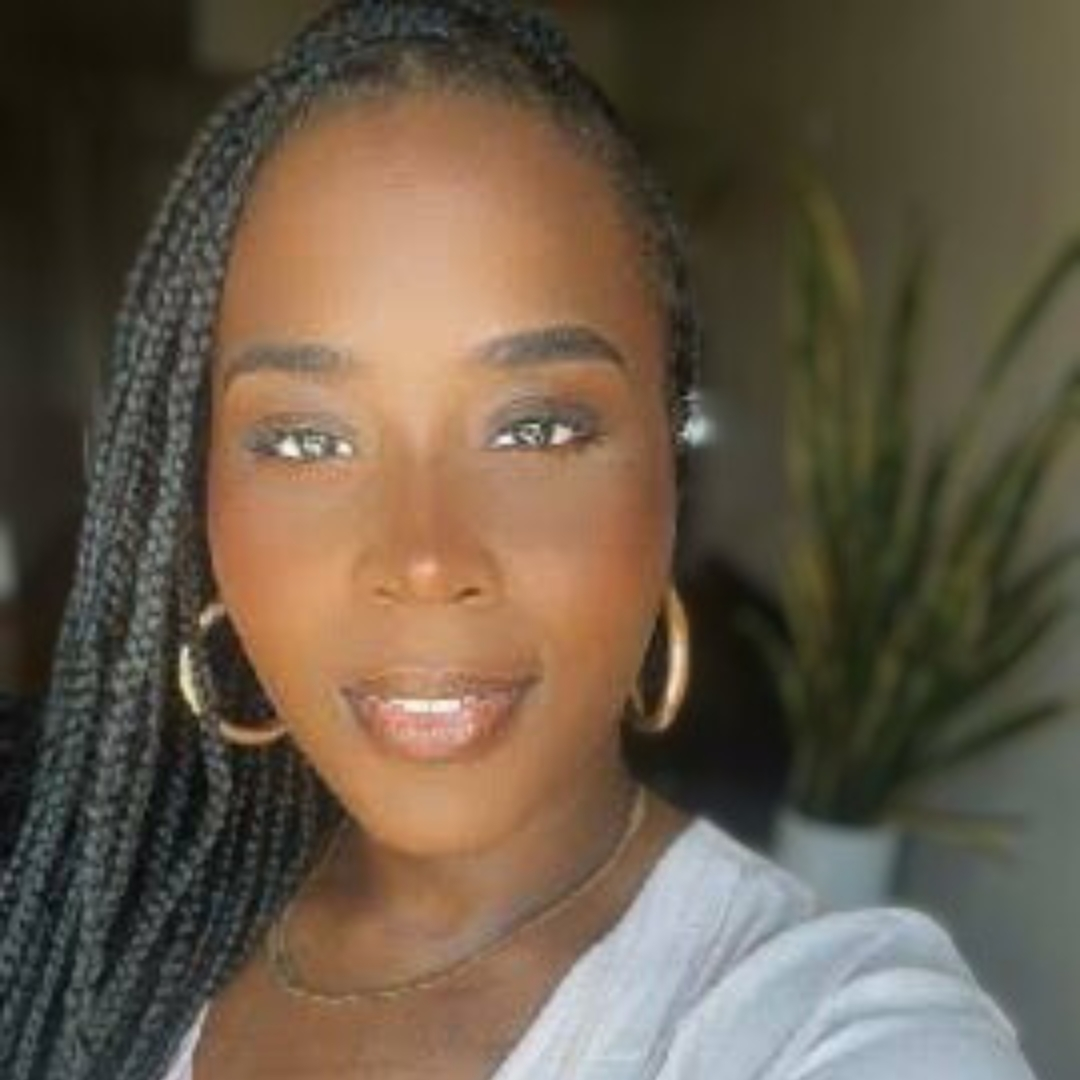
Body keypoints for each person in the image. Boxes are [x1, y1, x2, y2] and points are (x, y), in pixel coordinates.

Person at [0, 1, 1040, 1077]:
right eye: (307, 439)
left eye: (535, 427)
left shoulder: (817, 1025)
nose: (426, 557)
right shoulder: (98, 920)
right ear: (198, 492)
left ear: (667, 484)